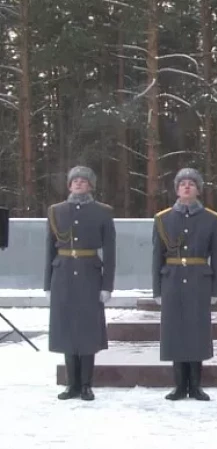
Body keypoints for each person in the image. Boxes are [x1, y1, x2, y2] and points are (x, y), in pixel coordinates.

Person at [152, 168, 217, 401]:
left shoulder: (212, 220)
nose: (186, 187)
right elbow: (156, 256)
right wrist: (157, 289)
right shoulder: (163, 219)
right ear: (176, 189)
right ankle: (178, 385)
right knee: (174, 332)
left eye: (191, 184)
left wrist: (216, 289)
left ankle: (195, 386)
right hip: (171, 280)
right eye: (182, 183)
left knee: (196, 332)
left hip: (199, 281)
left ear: (198, 190)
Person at [45, 166, 116, 401]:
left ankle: (86, 384)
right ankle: (71, 384)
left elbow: (111, 252)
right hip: (62, 275)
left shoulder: (103, 212)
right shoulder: (56, 211)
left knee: (87, 331)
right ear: (68, 185)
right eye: (74, 180)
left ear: (91, 185)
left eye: (83, 180)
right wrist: (47, 284)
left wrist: (107, 285)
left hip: (90, 275)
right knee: (66, 330)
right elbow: (49, 250)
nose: (78, 183)